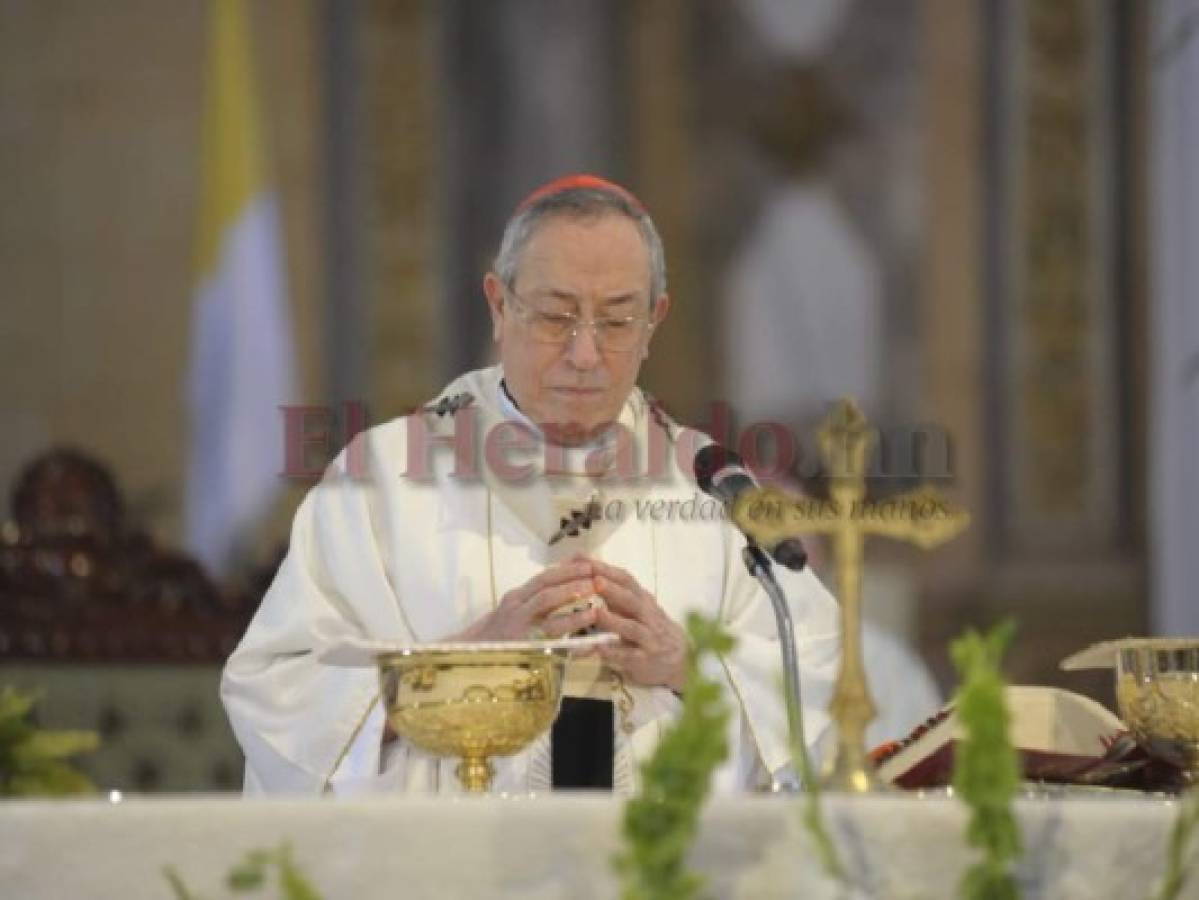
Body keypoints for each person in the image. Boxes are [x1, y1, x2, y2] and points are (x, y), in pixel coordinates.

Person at [220, 174, 841, 795]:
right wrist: (457, 668)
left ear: (656, 320)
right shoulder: (378, 482)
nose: (585, 354)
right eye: (555, 316)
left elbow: (818, 685)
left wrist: (689, 666)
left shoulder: (711, 489)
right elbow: (276, 694)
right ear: (498, 306)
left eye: (619, 320)